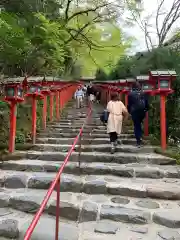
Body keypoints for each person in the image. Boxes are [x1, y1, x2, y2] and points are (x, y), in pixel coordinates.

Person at [127, 81, 149, 147]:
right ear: (139, 86)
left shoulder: (130, 94)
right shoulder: (143, 93)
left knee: (136, 125)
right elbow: (147, 103)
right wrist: (146, 110)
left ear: (132, 87)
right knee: (139, 123)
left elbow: (129, 104)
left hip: (135, 111)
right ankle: (140, 136)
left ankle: (138, 141)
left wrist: (129, 112)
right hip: (142, 111)